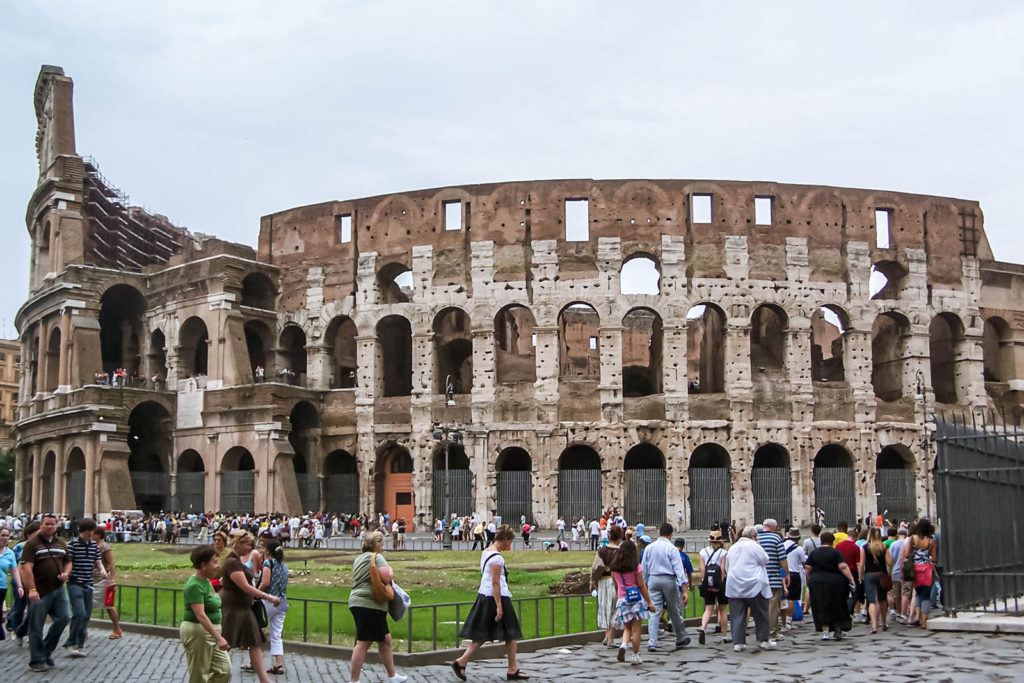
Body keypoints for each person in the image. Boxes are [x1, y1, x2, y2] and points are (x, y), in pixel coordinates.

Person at [451, 525, 528, 681]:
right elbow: (495, 583)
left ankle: (462, 661)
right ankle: (511, 669)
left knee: (484, 633)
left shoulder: (486, 552)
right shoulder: (497, 558)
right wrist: (499, 606)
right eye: (509, 541)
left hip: (485, 596)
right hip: (497, 598)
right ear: (504, 539)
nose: (509, 545)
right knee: (511, 632)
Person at [220, 532, 280, 683]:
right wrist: (268, 597)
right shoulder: (232, 562)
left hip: (243, 608)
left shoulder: (236, 561)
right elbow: (245, 586)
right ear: (238, 544)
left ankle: (264, 680)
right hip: (234, 609)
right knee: (225, 643)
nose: (251, 548)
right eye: (248, 544)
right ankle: (213, 672)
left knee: (254, 642)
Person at [348, 531, 406, 683]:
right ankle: (354, 680)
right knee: (363, 643)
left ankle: (392, 676)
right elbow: (387, 576)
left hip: (359, 602)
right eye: (382, 543)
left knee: (385, 639)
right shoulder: (376, 557)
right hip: (370, 604)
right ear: (377, 544)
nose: (382, 547)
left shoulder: (359, 558)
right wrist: (391, 569)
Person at [21, 513, 72, 672]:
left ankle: (46, 650)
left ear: (57, 525)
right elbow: (26, 568)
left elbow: (68, 562)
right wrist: (32, 589)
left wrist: (66, 573)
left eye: (52, 524)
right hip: (40, 590)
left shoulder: (61, 544)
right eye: (46, 524)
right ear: (41, 525)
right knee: (36, 626)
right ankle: (36, 660)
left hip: (58, 588)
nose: (49, 527)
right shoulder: (32, 544)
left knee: (64, 618)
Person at [181, 545, 231, 683]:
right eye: (214, 562)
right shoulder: (194, 586)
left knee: (224, 670)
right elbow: (201, 615)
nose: (218, 566)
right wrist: (219, 638)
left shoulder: (206, 581)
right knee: (199, 675)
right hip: (198, 633)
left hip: (211, 633)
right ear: (204, 565)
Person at [640, 522, 690, 652]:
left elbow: (644, 568)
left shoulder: (649, 548)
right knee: (674, 610)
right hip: (669, 579)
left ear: (659, 533)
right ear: (671, 535)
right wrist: (684, 589)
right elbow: (679, 570)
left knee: (654, 611)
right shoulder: (672, 549)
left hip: (653, 579)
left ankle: (652, 641)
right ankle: (680, 637)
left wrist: (645, 583)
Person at [724, 526, 775, 652]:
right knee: (761, 613)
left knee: (737, 615)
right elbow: (765, 560)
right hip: (754, 584)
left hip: (735, 585)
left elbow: (727, 566)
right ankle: (764, 640)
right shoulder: (755, 546)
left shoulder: (733, 547)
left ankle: (738, 642)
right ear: (754, 536)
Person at [63, 518, 105, 657]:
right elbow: (68, 562)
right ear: (82, 530)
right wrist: (66, 574)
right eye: (88, 531)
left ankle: (79, 644)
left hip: (89, 583)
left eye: (92, 531)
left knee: (86, 615)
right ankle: (71, 643)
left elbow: (97, 560)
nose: (90, 534)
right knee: (79, 613)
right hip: (75, 583)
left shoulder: (93, 545)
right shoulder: (73, 545)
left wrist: (102, 569)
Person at [804, 531, 856, 640]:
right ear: (832, 542)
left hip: (817, 582)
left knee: (821, 605)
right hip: (835, 582)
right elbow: (842, 566)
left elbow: (808, 568)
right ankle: (838, 628)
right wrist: (851, 579)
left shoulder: (814, 553)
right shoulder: (836, 552)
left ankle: (825, 631)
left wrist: (808, 579)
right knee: (837, 605)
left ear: (821, 541)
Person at [609, 540, 652, 666]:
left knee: (627, 628)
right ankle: (635, 655)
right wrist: (649, 602)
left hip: (622, 599)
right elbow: (641, 585)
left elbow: (616, 585)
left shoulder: (615, 568)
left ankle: (623, 645)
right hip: (636, 599)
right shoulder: (636, 567)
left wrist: (620, 595)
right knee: (636, 630)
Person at [259, 539, 289, 675]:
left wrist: (256, 593)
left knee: (257, 629)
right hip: (282, 602)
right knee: (277, 634)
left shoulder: (268, 563)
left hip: (269, 600)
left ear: (267, 550)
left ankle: (254, 661)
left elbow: (265, 582)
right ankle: (278, 664)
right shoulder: (284, 565)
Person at [7, 521, 40, 645]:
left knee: (34, 608)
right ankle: (16, 628)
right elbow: (15, 564)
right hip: (19, 581)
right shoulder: (20, 546)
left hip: (34, 581)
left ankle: (30, 632)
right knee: (19, 606)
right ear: (29, 534)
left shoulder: (41, 546)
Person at [902, 518, 938, 628]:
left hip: (916, 569)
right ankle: (924, 622)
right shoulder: (931, 541)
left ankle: (917, 616)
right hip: (927, 570)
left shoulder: (912, 538)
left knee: (917, 593)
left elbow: (906, 554)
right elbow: (934, 559)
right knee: (926, 596)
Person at [757, 519, 789, 639]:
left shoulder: (756, 539)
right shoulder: (776, 538)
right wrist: (787, 573)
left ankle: (761, 631)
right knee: (773, 607)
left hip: (758, 578)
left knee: (760, 607)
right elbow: (782, 558)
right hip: (773, 577)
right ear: (773, 527)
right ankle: (771, 632)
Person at [591, 524, 622, 647]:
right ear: (619, 536)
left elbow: (594, 567)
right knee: (614, 609)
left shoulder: (602, 550)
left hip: (602, 581)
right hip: (615, 581)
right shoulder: (620, 551)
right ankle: (610, 639)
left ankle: (606, 636)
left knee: (605, 608)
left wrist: (592, 582)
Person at [90, 525, 123, 639]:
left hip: (103, 580)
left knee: (109, 605)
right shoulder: (90, 545)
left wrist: (112, 579)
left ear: (99, 535)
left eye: (94, 533)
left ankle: (117, 629)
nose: (91, 535)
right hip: (91, 579)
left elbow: (111, 563)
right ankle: (82, 629)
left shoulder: (104, 547)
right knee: (86, 605)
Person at [696, 529, 729, 645]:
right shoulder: (723, 553)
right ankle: (724, 635)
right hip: (720, 583)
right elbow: (723, 569)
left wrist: (704, 582)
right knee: (722, 609)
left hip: (708, 582)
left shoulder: (703, 552)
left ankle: (703, 628)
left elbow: (702, 569)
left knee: (708, 608)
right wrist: (721, 583)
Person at [859, 526, 891, 633]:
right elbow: (889, 562)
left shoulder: (864, 547)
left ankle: (874, 626)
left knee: (871, 600)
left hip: (869, 574)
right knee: (882, 599)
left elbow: (862, 564)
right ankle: (884, 623)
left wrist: (860, 576)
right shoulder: (884, 547)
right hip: (882, 574)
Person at [0, 526, 25, 641]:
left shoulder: (10, 553)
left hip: (2, 587)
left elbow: (15, 570)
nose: (5, 538)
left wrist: (19, 586)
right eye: (2, 535)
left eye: (7, 535)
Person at [782, 528, 807, 630]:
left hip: (783, 573)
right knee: (791, 598)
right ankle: (788, 621)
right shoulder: (799, 549)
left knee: (782, 598)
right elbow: (804, 563)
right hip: (794, 573)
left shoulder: (782, 545)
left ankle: (782, 620)